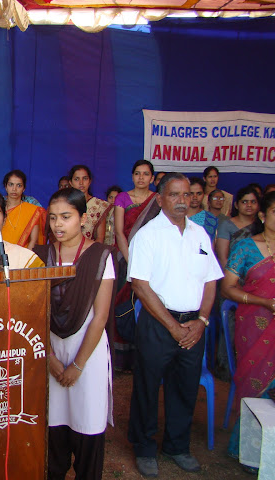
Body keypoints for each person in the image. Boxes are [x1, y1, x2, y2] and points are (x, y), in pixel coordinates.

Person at [127, 173, 223, 477]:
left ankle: (177, 446)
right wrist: (172, 326)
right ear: (160, 199)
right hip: (158, 323)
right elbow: (140, 285)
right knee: (147, 386)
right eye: (174, 194)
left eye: (187, 195)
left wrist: (202, 321)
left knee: (185, 386)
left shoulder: (199, 234)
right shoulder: (148, 235)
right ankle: (144, 448)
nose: (182, 200)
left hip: (194, 324)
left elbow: (211, 281)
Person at [34, 188, 115, 480]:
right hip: (50, 347)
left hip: (88, 352)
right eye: (53, 217)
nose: (58, 224)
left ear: (82, 218)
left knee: (87, 420)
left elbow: (100, 317)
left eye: (66, 217)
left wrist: (77, 365)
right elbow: (35, 312)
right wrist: (50, 358)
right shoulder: (40, 256)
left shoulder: (99, 256)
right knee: (53, 422)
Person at [220, 191, 275, 471]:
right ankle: (250, 450)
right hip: (254, 323)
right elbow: (227, 288)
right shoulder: (245, 246)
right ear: (263, 216)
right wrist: (263, 302)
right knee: (255, 382)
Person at [112, 160, 160, 371]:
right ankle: (122, 360)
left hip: (150, 261)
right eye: (137, 173)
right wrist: (131, 261)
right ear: (132, 176)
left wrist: (146, 262)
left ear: (152, 178)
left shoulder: (157, 200)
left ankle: (144, 358)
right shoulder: (122, 198)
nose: (141, 178)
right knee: (122, 303)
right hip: (125, 260)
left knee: (148, 305)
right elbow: (119, 231)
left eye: (146, 174)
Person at [215, 186, 260, 269]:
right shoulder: (226, 225)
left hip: (258, 272)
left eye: (253, 202)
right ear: (236, 205)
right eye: (244, 202)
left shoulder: (261, 225)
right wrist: (230, 275)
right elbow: (222, 258)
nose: (249, 205)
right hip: (232, 271)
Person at [1, 169, 46, 249]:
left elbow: (33, 241)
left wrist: (24, 256)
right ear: (6, 187)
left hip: (23, 253)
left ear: (24, 188)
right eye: (11, 185)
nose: (14, 189)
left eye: (19, 185)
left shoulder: (32, 211)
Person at [69, 165, 111, 243]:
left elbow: (100, 237)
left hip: (91, 249)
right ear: (71, 183)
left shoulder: (99, 205)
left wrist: (88, 250)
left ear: (90, 181)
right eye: (77, 179)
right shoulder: (65, 204)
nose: (81, 183)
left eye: (85, 178)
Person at [187, 177, 218, 244]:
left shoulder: (210, 218)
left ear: (204, 194)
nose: (195, 197)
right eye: (191, 193)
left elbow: (211, 246)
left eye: (199, 194)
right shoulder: (177, 217)